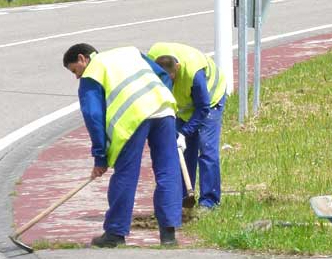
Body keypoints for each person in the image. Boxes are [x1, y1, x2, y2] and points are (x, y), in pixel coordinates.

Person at [62, 43, 183, 247]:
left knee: (126, 175)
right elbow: (163, 75)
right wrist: (161, 98)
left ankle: (115, 234)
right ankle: (169, 235)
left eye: (75, 70)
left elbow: (93, 115)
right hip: (164, 109)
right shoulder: (130, 52)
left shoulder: (92, 73)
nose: (77, 76)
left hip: (133, 119)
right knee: (168, 172)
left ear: (83, 58)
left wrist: (100, 157)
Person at [146, 42, 227, 210]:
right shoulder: (152, 60)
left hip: (210, 102)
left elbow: (203, 107)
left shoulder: (193, 73)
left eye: (172, 77)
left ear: (177, 67)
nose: (169, 82)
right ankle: (183, 198)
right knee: (182, 151)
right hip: (182, 108)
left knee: (206, 149)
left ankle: (209, 202)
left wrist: (185, 132)